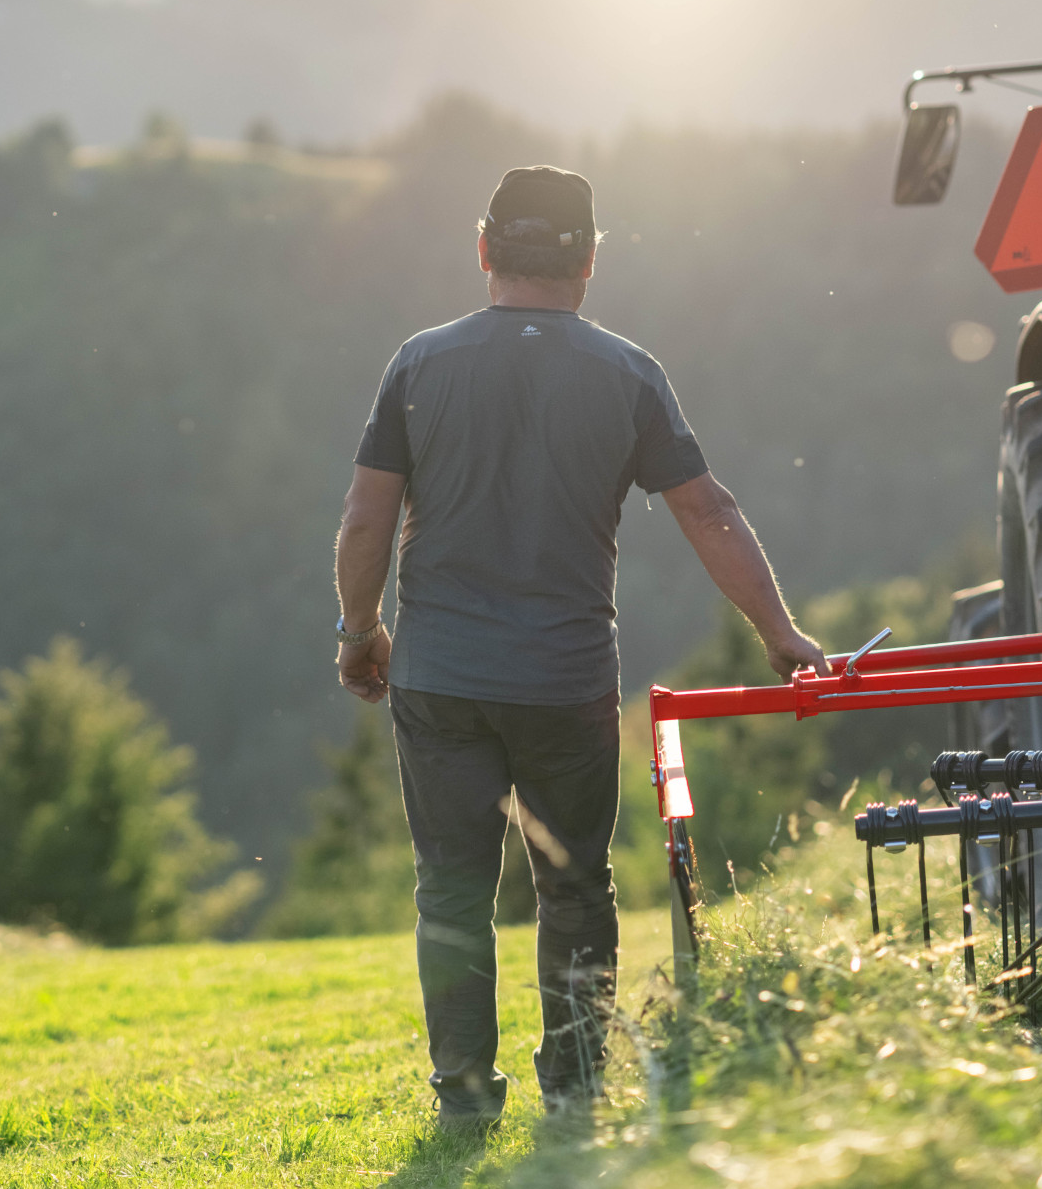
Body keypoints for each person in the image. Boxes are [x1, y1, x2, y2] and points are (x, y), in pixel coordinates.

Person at [330, 164, 827, 1127]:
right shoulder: (627, 374)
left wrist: (360, 633)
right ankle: (574, 1087)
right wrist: (780, 634)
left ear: (483, 251)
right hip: (564, 685)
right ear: (590, 263)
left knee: (453, 892)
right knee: (575, 887)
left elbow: (365, 518)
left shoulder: (420, 365)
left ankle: (465, 1095)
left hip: (440, 679)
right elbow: (708, 512)